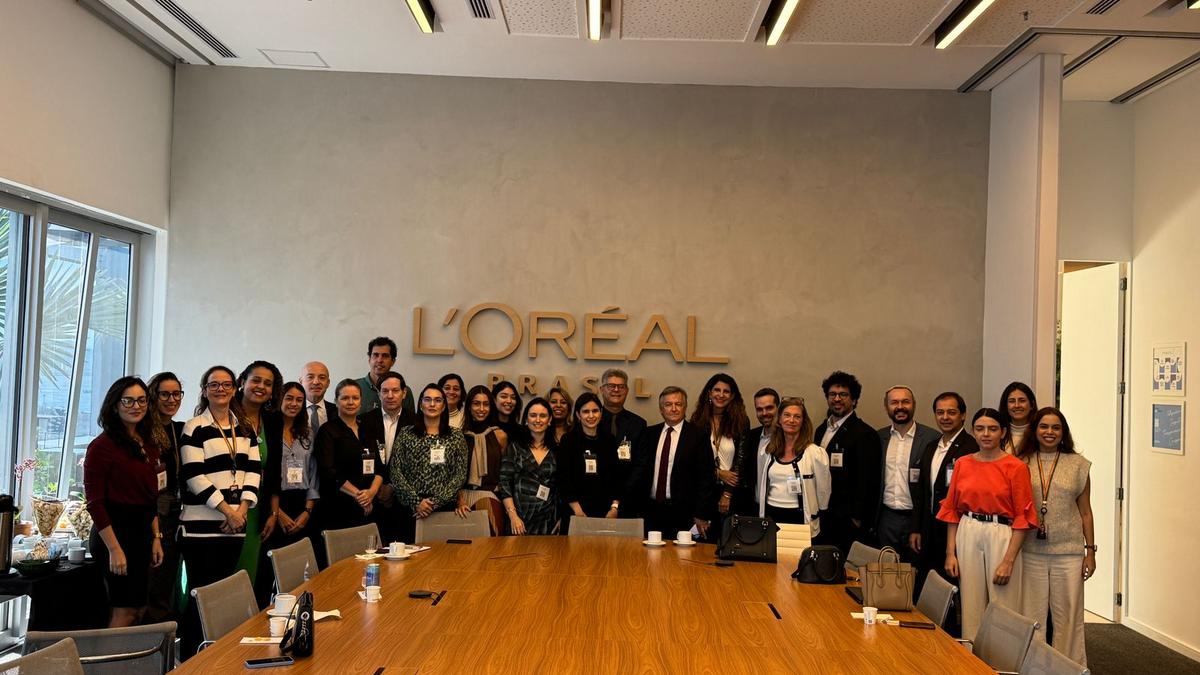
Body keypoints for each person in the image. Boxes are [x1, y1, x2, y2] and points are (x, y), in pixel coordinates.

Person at [178, 365, 261, 655]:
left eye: (226, 384)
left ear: (235, 389)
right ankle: (189, 658)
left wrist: (242, 510)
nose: (220, 389)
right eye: (213, 385)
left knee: (222, 596)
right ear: (204, 391)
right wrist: (227, 510)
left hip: (234, 527)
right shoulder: (194, 427)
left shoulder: (245, 428)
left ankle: (215, 656)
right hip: (200, 529)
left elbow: (253, 471)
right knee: (200, 594)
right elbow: (194, 475)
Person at [938, 408, 1038, 641]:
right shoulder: (962, 463)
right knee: (970, 602)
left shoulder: (1016, 467)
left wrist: (1008, 561)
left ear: (1003, 432)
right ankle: (970, 655)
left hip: (1001, 532)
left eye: (992, 429)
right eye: (980, 429)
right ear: (973, 432)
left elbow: (1023, 518)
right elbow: (952, 510)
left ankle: (1004, 657)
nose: (986, 434)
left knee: (1003, 603)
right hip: (968, 528)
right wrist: (950, 553)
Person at [83, 376, 164, 627]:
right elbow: (95, 504)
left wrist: (156, 537)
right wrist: (114, 549)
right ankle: (111, 655)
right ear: (115, 405)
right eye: (128, 400)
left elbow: (151, 497)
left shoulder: (148, 444)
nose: (136, 406)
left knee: (139, 609)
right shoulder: (101, 446)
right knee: (124, 611)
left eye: (141, 400)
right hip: (114, 535)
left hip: (142, 536)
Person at [1017, 407, 1095, 666]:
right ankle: (1034, 667)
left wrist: (1090, 551)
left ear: (1063, 432)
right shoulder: (1021, 462)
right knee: (1032, 615)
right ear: (1035, 430)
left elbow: (1086, 512)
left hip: (1069, 552)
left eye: (1055, 427)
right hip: (1030, 550)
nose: (1049, 432)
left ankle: (1067, 668)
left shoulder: (1079, 465)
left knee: (1068, 617)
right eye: (1044, 426)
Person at [909, 392, 978, 602]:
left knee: (952, 588)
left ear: (963, 415)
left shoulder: (972, 448)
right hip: (929, 528)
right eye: (940, 413)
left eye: (951, 412)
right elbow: (922, 492)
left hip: (956, 529)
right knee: (927, 585)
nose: (945, 417)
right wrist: (916, 528)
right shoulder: (932, 446)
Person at [629, 387, 714, 537]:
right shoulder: (649, 434)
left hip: (683, 513)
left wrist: (701, 514)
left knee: (681, 551)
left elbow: (706, 477)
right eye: (668, 405)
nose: (674, 409)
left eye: (678, 404)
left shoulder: (698, 436)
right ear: (661, 409)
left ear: (685, 407)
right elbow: (640, 470)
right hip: (650, 510)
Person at [232, 360, 284, 606]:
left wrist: (273, 513)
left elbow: (274, 471)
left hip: (258, 507)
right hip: (227, 506)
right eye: (256, 380)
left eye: (268, 383)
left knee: (251, 572)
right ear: (242, 382)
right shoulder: (225, 414)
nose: (261, 387)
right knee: (226, 574)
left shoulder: (273, 420)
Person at [813, 371, 880, 554]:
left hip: (847, 521)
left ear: (854, 400)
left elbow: (868, 481)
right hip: (823, 514)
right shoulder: (821, 430)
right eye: (832, 394)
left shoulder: (865, 434)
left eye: (843, 395)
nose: (837, 399)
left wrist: (857, 518)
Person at [390, 384, 469, 542]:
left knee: (441, 554)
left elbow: (460, 475)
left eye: (437, 400)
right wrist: (416, 502)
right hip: (410, 508)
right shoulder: (406, 433)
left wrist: (434, 503)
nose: (432, 404)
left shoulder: (456, 436)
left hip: (443, 508)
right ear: (420, 404)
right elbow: (395, 471)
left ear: (444, 406)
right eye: (427, 399)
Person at [874, 386, 938, 564]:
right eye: (894, 402)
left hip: (917, 518)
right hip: (886, 519)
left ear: (914, 404)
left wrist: (919, 525)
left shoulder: (932, 438)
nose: (900, 407)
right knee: (886, 571)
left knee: (916, 571)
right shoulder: (878, 438)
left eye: (905, 402)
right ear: (886, 406)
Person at [746, 397, 830, 530]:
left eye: (797, 416)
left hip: (801, 518)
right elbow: (761, 485)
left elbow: (823, 491)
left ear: (803, 422)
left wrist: (820, 513)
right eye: (787, 415)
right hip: (771, 516)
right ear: (779, 420)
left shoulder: (815, 453)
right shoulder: (768, 451)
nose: (791, 420)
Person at [144, 371, 185, 624]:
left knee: (168, 580)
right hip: (151, 514)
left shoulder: (179, 429)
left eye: (176, 394)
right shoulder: (144, 431)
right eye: (165, 395)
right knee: (154, 582)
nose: (172, 400)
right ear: (153, 396)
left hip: (175, 513)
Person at [266, 382, 320, 572]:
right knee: (273, 567)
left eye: (299, 400)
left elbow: (314, 473)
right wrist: (277, 513)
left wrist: (307, 511)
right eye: (289, 398)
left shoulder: (308, 433)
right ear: (279, 400)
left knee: (300, 568)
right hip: (274, 503)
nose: (294, 404)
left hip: (302, 504)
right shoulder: (268, 432)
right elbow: (264, 474)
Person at [316, 379, 384, 530]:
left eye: (355, 398)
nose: (351, 402)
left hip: (370, 503)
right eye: (345, 398)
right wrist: (360, 496)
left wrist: (371, 493)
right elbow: (328, 472)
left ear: (361, 401)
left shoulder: (367, 429)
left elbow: (379, 467)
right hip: (340, 506)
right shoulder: (327, 431)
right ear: (336, 401)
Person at [358, 371, 417, 544]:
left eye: (395, 390)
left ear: (404, 393)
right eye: (385, 391)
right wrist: (377, 487)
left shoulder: (416, 422)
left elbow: (416, 463)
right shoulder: (363, 421)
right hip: (371, 497)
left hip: (404, 502)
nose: (390, 395)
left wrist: (392, 486)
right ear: (379, 393)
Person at [688, 373, 750, 538]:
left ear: (732, 396)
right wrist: (717, 472)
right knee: (703, 542)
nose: (721, 395)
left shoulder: (741, 421)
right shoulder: (698, 420)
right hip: (704, 492)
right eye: (717, 390)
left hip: (731, 492)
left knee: (728, 541)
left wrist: (727, 494)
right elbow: (693, 460)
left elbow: (741, 460)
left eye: (726, 391)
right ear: (709, 393)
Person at [558, 392, 622, 533]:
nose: (591, 416)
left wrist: (614, 508)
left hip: (606, 514)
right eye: (586, 412)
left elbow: (616, 477)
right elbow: (564, 479)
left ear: (601, 413)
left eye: (595, 411)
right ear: (578, 415)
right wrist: (578, 511)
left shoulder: (609, 440)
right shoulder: (568, 440)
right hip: (576, 512)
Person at [498, 398, 560, 535]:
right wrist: (513, 516)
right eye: (533, 415)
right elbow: (505, 483)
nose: (538, 420)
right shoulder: (514, 448)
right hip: (519, 520)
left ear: (549, 420)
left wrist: (561, 518)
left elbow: (560, 487)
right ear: (526, 420)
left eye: (542, 416)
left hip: (548, 520)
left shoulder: (557, 451)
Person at [456, 385, 509, 535]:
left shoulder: (500, 436)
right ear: (469, 406)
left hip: (489, 493)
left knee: (492, 541)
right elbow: (452, 473)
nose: (481, 409)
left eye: (486, 404)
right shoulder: (458, 437)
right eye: (476, 403)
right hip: (460, 496)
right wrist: (458, 500)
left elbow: (504, 473)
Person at [734, 387, 779, 515]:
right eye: (759, 409)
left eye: (769, 408)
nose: (764, 413)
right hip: (754, 508)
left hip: (778, 508)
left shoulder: (788, 438)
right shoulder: (751, 437)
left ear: (778, 408)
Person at [598, 369, 646, 478]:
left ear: (627, 391)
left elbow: (640, 463)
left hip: (628, 487)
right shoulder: (591, 421)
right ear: (602, 390)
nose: (616, 390)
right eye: (611, 386)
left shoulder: (638, 424)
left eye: (621, 386)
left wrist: (626, 488)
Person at [356, 337, 415, 415]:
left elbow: (410, 420)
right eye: (375, 355)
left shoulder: (404, 391)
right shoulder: (354, 387)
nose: (379, 360)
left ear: (393, 361)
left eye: (385, 356)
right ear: (369, 359)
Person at [301, 361, 337, 442]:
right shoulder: (292, 410)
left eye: (322, 377)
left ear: (328, 383)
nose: (316, 382)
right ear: (301, 381)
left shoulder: (337, 411)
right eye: (310, 377)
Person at [998, 382, 1037, 454]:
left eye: (1022, 401)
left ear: (1032, 405)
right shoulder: (997, 433)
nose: (1017, 405)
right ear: (1005, 406)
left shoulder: (1039, 434)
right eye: (1012, 401)